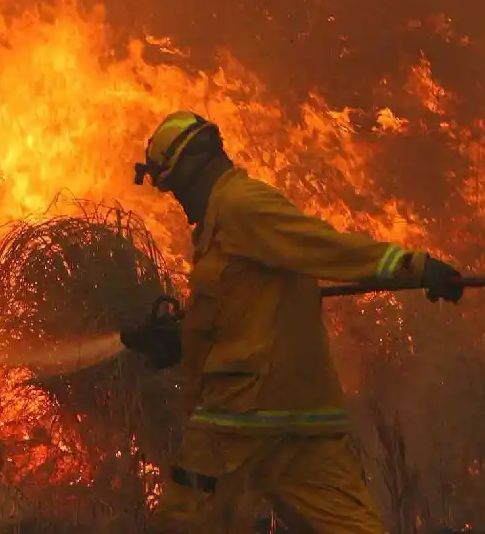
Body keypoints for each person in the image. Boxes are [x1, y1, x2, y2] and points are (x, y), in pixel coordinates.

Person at [126, 110, 465, 534]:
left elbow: (324, 247)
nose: (177, 200)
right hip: (297, 422)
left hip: (236, 424)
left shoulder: (241, 206)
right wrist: (181, 336)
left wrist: (414, 267)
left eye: (174, 186)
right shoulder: (223, 222)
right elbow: (241, 307)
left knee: (183, 522)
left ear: (195, 165)